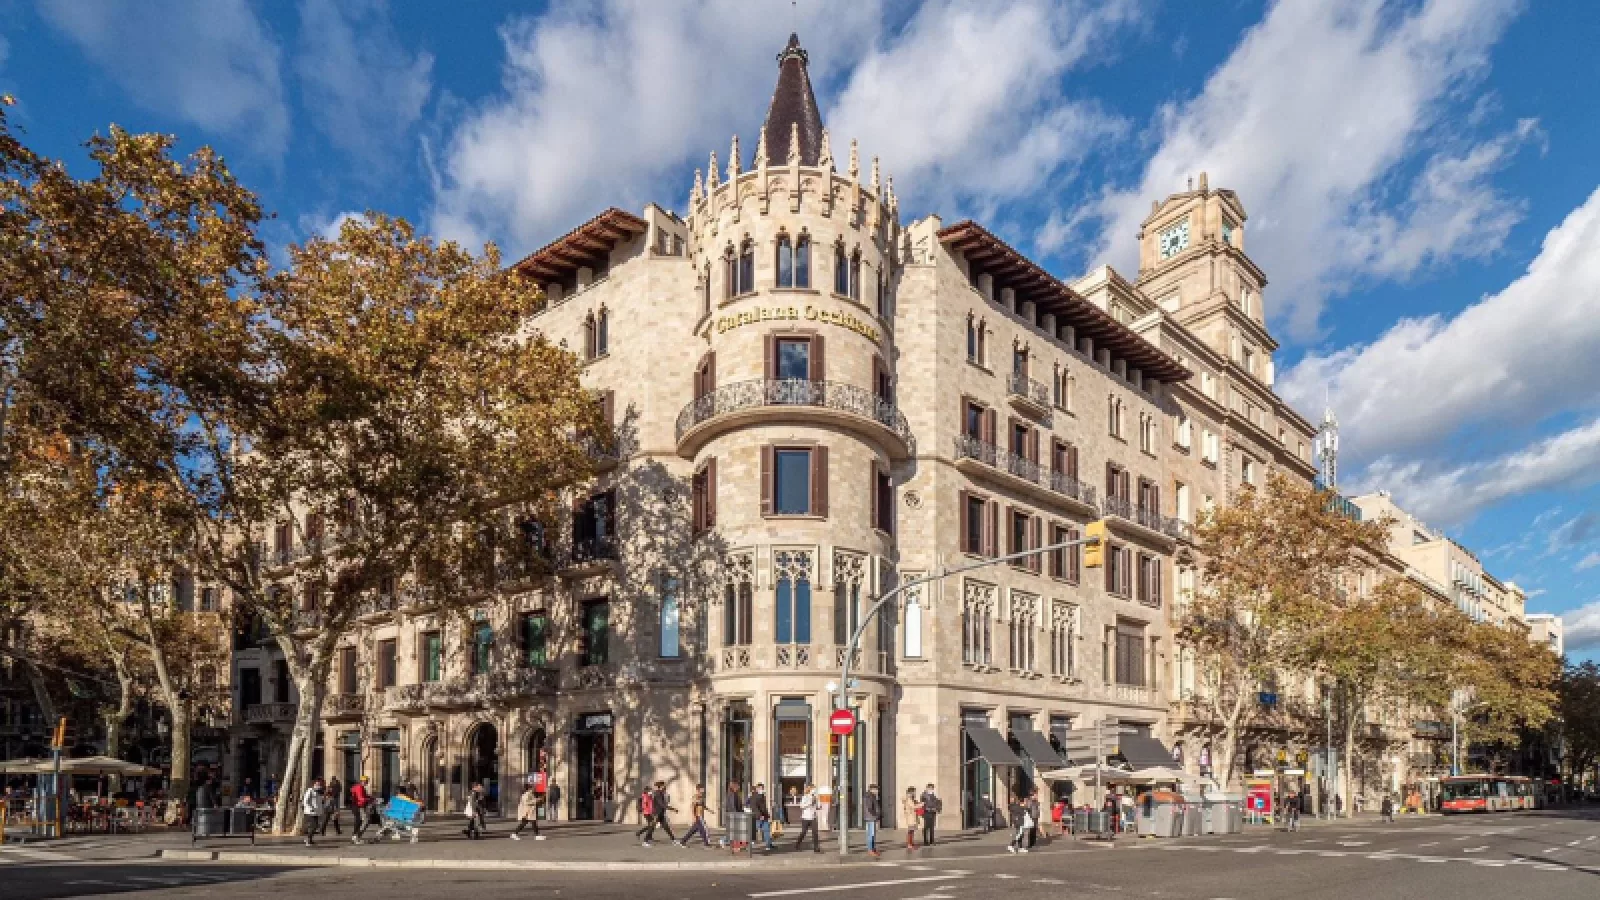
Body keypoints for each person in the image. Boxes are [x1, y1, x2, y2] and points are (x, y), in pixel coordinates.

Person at [795, 783, 820, 852]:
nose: (814, 790)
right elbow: (801, 806)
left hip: (813, 817)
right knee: (804, 832)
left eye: (815, 789)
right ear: (810, 789)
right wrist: (810, 803)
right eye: (813, 789)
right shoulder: (805, 797)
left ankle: (816, 847)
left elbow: (817, 807)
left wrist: (818, 806)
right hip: (805, 817)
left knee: (815, 832)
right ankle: (797, 844)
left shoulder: (816, 797)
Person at [748, 783, 774, 851]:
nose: (762, 790)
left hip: (763, 816)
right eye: (760, 788)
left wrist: (767, 815)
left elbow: (763, 807)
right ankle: (747, 844)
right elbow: (754, 807)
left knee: (766, 830)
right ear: (757, 789)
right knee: (753, 830)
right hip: (758, 817)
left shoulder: (761, 796)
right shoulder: (754, 796)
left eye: (762, 788)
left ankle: (768, 845)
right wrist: (760, 815)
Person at [300, 777, 325, 847]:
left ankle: (309, 839)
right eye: (317, 783)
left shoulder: (320, 792)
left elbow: (320, 802)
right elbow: (305, 801)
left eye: (320, 783)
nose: (319, 785)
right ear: (314, 783)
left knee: (316, 826)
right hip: (310, 812)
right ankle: (308, 840)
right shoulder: (310, 790)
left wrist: (322, 807)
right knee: (313, 826)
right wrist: (310, 808)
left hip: (317, 812)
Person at [349, 776, 373, 843]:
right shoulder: (359, 787)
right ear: (363, 781)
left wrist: (369, 797)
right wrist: (369, 799)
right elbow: (360, 798)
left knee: (360, 821)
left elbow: (362, 796)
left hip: (358, 806)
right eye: (366, 781)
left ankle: (356, 836)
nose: (367, 782)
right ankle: (356, 836)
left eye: (367, 781)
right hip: (358, 806)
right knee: (364, 820)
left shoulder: (360, 787)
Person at [721, 781, 744, 850]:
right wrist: (736, 814)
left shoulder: (733, 794)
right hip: (733, 815)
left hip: (732, 814)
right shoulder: (732, 794)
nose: (739, 787)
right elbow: (733, 805)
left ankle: (734, 844)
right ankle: (727, 842)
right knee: (735, 831)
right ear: (735, 787)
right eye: (738, 786)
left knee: (733, 831)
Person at [863, 784, 882, 857]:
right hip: (871, 817)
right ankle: (871, 850)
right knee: (871, 834)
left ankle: (872, 849)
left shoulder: (870, 795)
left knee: (871, 834)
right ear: (872, 789)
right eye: (876, 789)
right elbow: (870, 808)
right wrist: (876, 815)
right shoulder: (870, 796)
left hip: (870, 817)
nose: (877, 791)